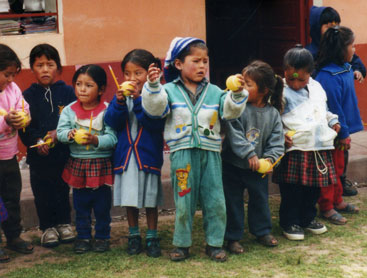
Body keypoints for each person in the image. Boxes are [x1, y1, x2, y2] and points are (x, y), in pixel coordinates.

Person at [142, 37, 248, 262]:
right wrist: (152, 86)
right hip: (182, 154)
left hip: (210, 154)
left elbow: (230, 111)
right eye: (196, 61)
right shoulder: (168, 91)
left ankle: (214, 244)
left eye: (205, 61)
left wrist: (237, 93)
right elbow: (154, 109)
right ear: (178, 64)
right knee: (184, 200)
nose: (202, 66)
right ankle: (182, 244)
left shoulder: (216, 92)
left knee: (215, 200)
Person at [272, 45, 338, 240]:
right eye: (291, 78)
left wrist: (333, 121)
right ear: (285, 71)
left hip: (317, 145)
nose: (296, 83)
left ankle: (307, 218)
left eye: (302, 79)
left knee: (313, 187)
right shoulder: (279, 90)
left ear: (310, 73)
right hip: (296, 147)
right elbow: (274, 118)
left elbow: (323, 110)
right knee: (292, 188)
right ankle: (289, 221)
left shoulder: (317, 88)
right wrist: (280, 135)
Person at [104, 49, 165, 257]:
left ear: (150, 74)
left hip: (147, 157)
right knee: (130, 200)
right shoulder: (119, 98)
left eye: (137, 73)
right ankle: (133, 236)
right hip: (126, 158)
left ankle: (152, 237)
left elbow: (153, 123)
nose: (132, 79)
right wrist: (120, 102)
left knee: (150, 200)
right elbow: (111, 121)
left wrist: (139, 100)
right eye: (127, 74)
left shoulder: (155, 97)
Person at [221, 60, 284, 253]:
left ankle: (262, 231)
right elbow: (234, 132)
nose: (243, 87)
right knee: (233, 201)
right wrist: (249, 153)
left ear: (264, 90)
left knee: (260, 198)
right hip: (232, 164)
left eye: (248, 84)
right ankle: (232, 237)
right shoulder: (237, 107)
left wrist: (270, 159)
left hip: (258, 168)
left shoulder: (273, 114)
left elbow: (277, 141)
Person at [19, 44, 76, 248]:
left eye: (50, 64)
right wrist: (36, 141)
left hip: (63, 152)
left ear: (58, 68)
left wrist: (59, 135)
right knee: (42, 191)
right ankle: (47, 227)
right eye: (39, 65)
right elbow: (24, 126)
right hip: (38, 156)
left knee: (61, 188)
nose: (45, 69)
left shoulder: (68, 92)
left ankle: (64, 223)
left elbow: (74, 119)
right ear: (32, 69)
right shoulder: (26, 96)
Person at [57, 65, 117, 254]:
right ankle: (83, 237)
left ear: (100, 89)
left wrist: (95, 139)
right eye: (78, 84)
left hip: (101, 164)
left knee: (102, 206)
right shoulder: (69, 111)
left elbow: (113, 138)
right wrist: (70, 133)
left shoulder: (107, 110)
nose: (82, 89)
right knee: (80, 205)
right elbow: (59, 133)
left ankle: (102, 237)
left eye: (88, 85)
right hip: (78, 164)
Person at [307, 5, 366, 197]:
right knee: (331, 159)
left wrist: (357, 70)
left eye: (336, 24)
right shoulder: (319, 63)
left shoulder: (344, 63)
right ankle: (328, 197)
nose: (333, 29)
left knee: (341, 156)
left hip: (342, 124)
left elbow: (357, 63)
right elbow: (331, 102)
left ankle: (339, 188)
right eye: (328, 25)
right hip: (330, 123)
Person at [315, 26, 363, 224]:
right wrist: (343, 132)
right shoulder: (328, 77)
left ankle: (338, 199)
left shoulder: (346, 69)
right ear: (340, 49)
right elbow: (334, 108)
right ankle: (326, 206)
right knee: (330, 168)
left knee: (340, 166)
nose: (354, 49)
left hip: (343, 131)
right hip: (332, 132)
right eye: (351, 45)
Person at [0, 44, 33, 262]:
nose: (11, 79)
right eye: (6, 74)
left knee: (11, 197)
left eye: (13, 74)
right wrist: (5, 121)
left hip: (8, 156)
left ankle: (13, 236)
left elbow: (24, 108)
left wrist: (23, 117)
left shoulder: (13, 90)